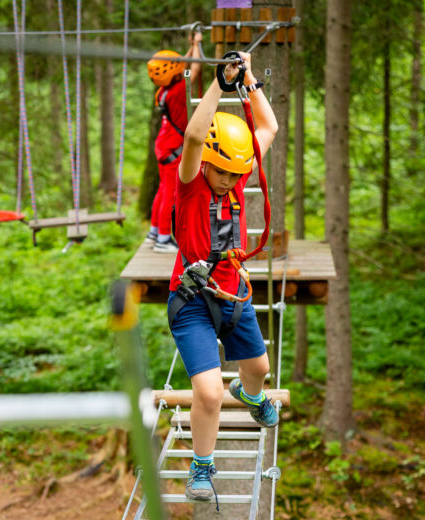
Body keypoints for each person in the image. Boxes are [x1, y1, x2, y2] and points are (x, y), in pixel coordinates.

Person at [166, 52, 278, 504]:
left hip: (233, 292)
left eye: (237, 174)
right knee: (208, 394)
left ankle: (249, 395)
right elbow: (195, 134)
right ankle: (202, 468)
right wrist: (219, 83)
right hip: (191, 298)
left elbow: (267, 128)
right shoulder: (192, 182)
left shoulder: (233, 170)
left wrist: (249, 81)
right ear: (206, 161)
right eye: (223, 172)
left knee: (259, 371)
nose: (230, 181)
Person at [145, 31, 202, 253]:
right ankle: (163, 239)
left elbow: (182, 65)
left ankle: (154, 231)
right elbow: (194, 69)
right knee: (171, 193)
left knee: (163, 190)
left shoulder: (163, 90)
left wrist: (192, 47)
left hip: (165, 144)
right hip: (173, 148)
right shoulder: (178, 91)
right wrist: (197, 44)